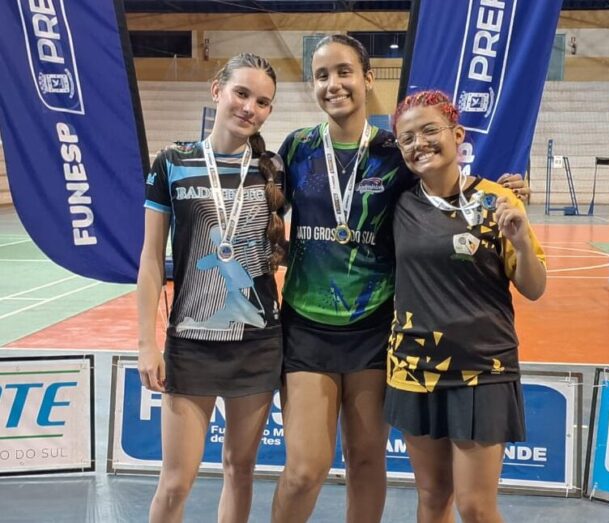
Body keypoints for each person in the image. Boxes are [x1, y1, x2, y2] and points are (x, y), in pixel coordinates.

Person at [271, 35, 530, 523]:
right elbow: (264, 210)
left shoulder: (395, 152)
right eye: (322, 75)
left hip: (376, 326)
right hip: (306, 326)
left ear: (368, 79)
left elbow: (449, 187)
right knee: (304, 470)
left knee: (367, 461)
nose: (334, 84)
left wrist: (507, 190)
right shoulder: (298, 147)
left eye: (344, 72)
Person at [136, 53, 286, 523]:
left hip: (257, 343)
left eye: (262, 102)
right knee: (175, 482)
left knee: (239, 470)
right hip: (191, 343)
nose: (249, 108)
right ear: (217, 90)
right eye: (241, 93)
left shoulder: (273, 168)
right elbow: (150, 259)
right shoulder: (172, 163)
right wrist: (145, 343)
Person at [385, 90, 547, 523]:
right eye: (407, 138)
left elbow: (534, 288)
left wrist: (520, 241)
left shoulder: (498, 200)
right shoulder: (398, 203)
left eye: (430, 131)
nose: (419, 143)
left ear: (457, 135)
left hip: (483, 367)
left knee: (475, 506)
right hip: (414, 365)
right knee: (432, 497)